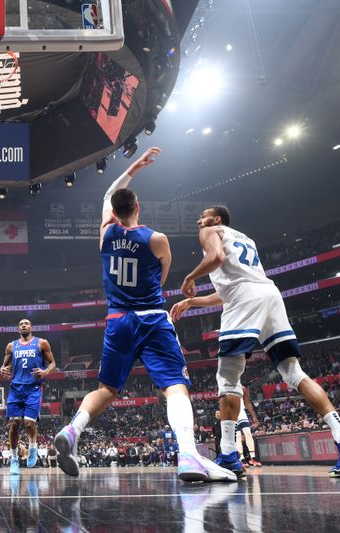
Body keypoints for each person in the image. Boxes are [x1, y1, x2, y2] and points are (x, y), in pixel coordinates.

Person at [53, 147, 235, 483]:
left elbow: (110, 193)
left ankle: (73, 429)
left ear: (115, 211)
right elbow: (162, 276)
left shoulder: (106, 233)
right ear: (138, 208)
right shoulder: (157, 239)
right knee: (174, 385)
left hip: (117, 320)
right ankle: (189, 456)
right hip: (151, 317)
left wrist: (133, 168)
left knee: (107, 388)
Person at [170, 205, 340, 478]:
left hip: (246, 298)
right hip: (268, 294)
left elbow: (217, 258)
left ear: (217, 219)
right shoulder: (245, 238)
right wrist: (194, 301)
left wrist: (190, 277)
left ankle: (229, 455)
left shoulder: (210, 231)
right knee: (293, 371)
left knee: (228, 380)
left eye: (204, 214)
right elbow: (231, 289)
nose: (199, 219)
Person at [0, 319, 56, 475]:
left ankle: (32, 447)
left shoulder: (42, 343)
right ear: (18, 328)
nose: (23, 325)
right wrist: (2, 369)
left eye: (26, 323)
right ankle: (14, 459)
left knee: (29, 424)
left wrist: (45, 372)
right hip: (16, 388)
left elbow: (52, 363)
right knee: (14, 424)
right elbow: (4, 366)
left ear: (31, 327)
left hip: (34, 388)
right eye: (21, 324)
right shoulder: (11, 346)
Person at [236, 385, 261, 467]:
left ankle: (253, 457)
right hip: (232, 412)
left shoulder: (242, 388)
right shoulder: (226, 386)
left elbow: (247, 402)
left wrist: (254, 416)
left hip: (241, 412)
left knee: (248, 432)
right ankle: (241, 458)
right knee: (238, 436)